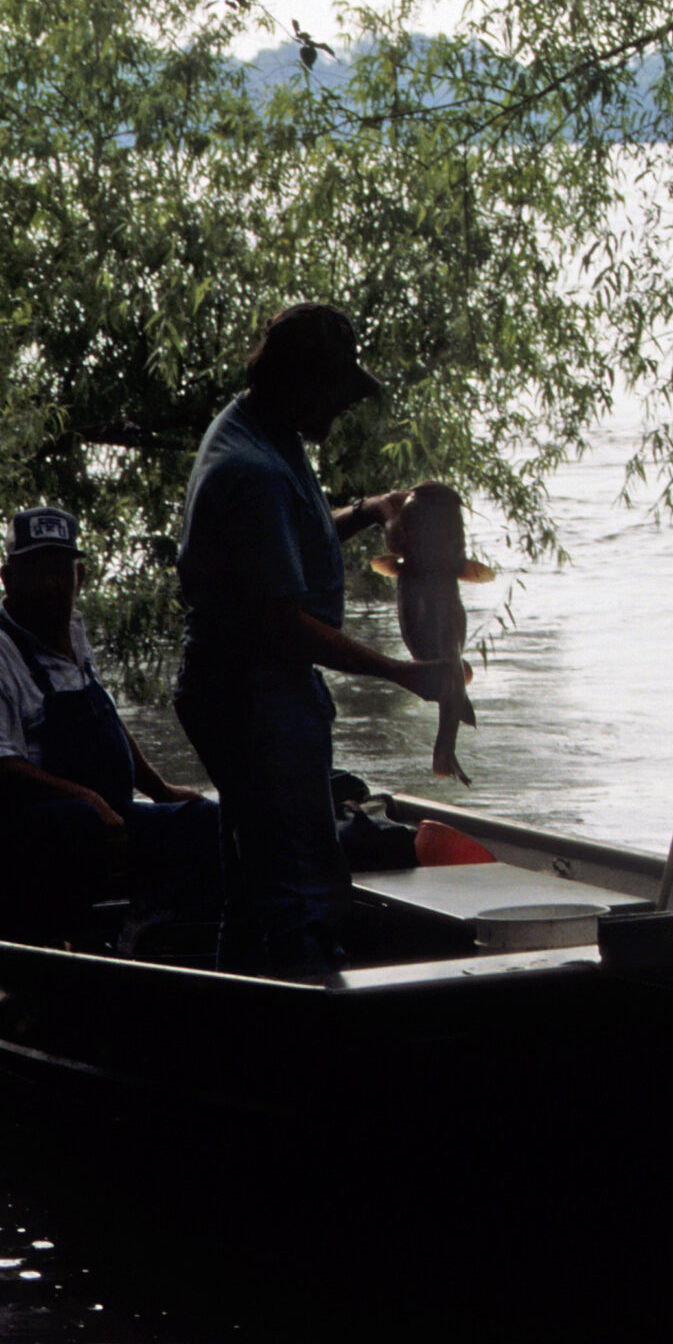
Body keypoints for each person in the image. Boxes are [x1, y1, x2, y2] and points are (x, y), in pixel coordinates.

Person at [173, 302, 472, 978]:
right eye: (337, 389)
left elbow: (292, 533)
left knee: (255, 885)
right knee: (302, 887)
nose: (342, 406)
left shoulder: (258, 431)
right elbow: (280, 623)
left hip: (244, 685)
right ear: (303, 380)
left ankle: (243, 1021)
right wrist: (401, 672)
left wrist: (370, 510)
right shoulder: (251, 469)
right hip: (252, 692)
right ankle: (307, 1040)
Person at [0, 506, 220, 943]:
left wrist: (159, 790)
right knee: (79, 823)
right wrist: (89, 800)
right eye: (37, 570)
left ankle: (151, 927)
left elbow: (106, 721)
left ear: (79, 577)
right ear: (8, 579)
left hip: (91, 819)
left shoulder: (72, 631)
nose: (52, 583)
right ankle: (66, 943)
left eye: (61, 570)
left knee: (206, 821)